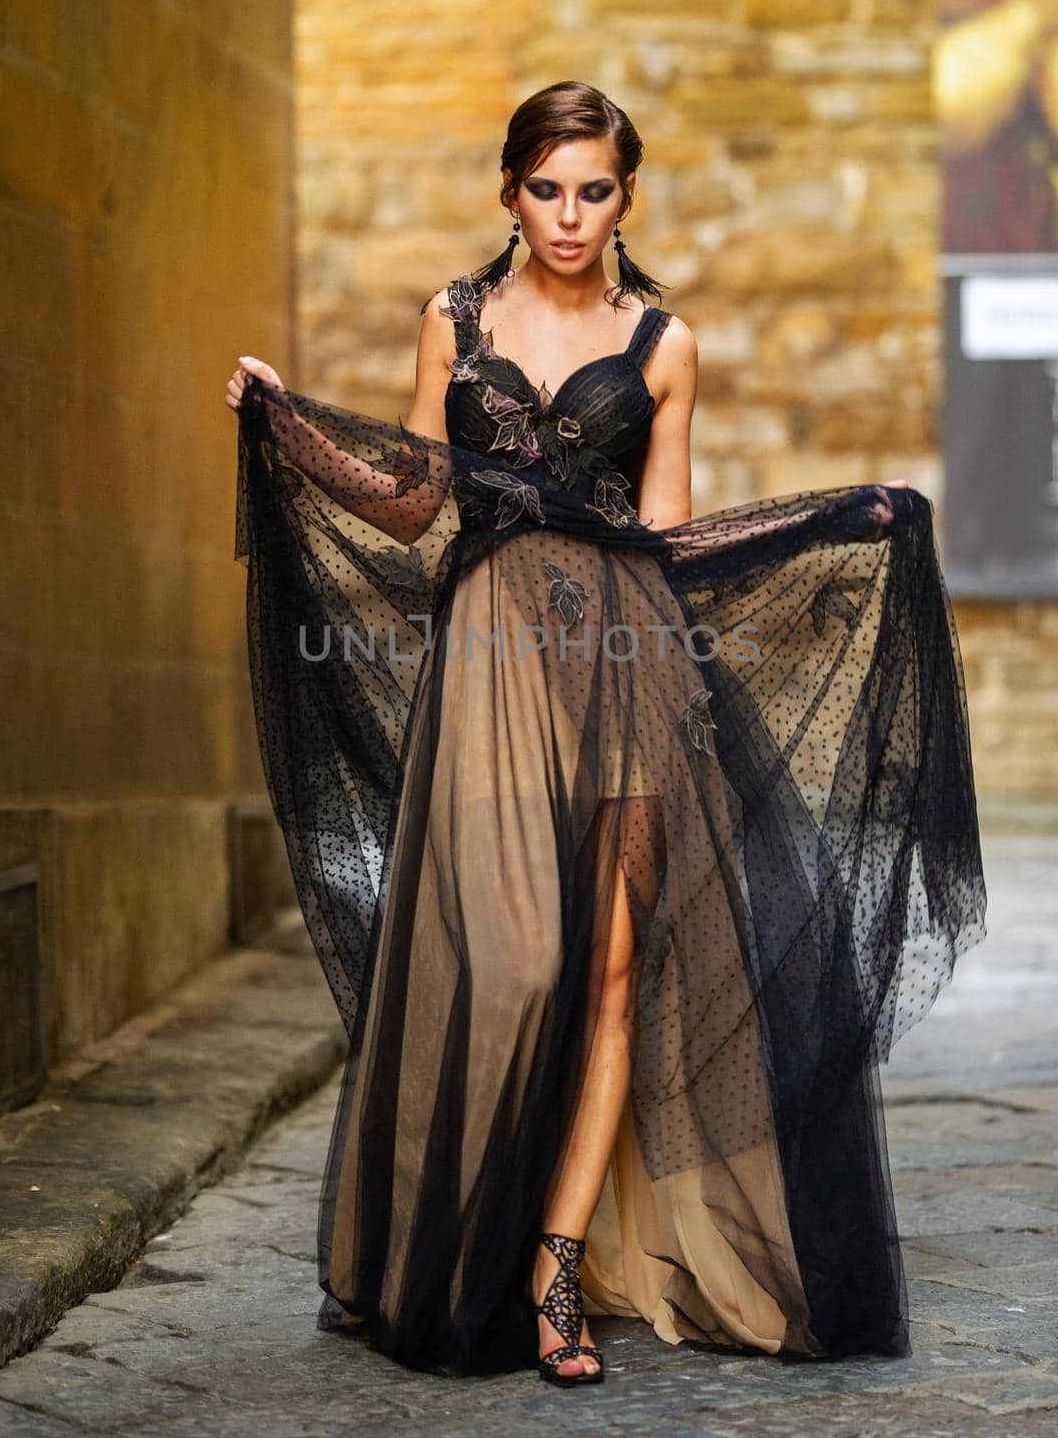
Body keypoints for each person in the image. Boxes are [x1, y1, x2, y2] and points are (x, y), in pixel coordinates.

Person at [226, 81, 987, 1385]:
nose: (567, 214)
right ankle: (462, 1235)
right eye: (544, 188)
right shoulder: (454, 321)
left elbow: (669, 538)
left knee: (621, 975)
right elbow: (414, 501)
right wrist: (289, 424)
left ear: (625, 197)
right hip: (492, 667)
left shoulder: (663, 343)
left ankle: (555, 1274)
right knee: (518, 963)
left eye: (593, 189)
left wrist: (834, 517)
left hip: (631, 665)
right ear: (507, 192)